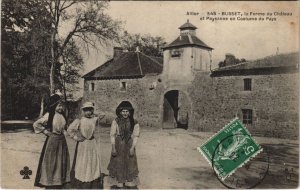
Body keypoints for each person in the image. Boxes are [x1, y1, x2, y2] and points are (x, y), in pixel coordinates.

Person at [33, 93, 70, 188]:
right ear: (54, 105)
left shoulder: (62, 116)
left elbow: (64, 127)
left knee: (61, 160)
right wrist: (45, 131)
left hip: (62, 141)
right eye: (59, 105)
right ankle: (50, 181)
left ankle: (59, 180)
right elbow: (36, 124)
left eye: (62, 106)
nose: (61, 108)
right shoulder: (49, 115)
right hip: (52, 140)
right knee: (51, 161)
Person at [67, 102, 105, 189]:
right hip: (83, 144)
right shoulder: (79, 120)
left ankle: (92, 179)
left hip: (92, 143)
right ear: (83, 111)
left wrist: (94, 112)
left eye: (90, 110)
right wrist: (76, 138)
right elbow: (69, 130)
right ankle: (83, 180)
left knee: (92, 161)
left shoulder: (94, 119)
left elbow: (103, 114)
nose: (88, 112)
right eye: (86, 110)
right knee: (83, 161)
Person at [107, 101, 140, 189]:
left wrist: (132, 147)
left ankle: (128, 183)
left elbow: (136, 135)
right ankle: (119, 183)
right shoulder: (116, 121)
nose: (125, 113)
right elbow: (112, 134)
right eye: (123, 111)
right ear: (120, 112)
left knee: (130, 163)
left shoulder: (134, 121)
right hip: (119, 145)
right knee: (119, 163)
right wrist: (113, 147)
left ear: (130, 112)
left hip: (129, 144)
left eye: (127, 111)